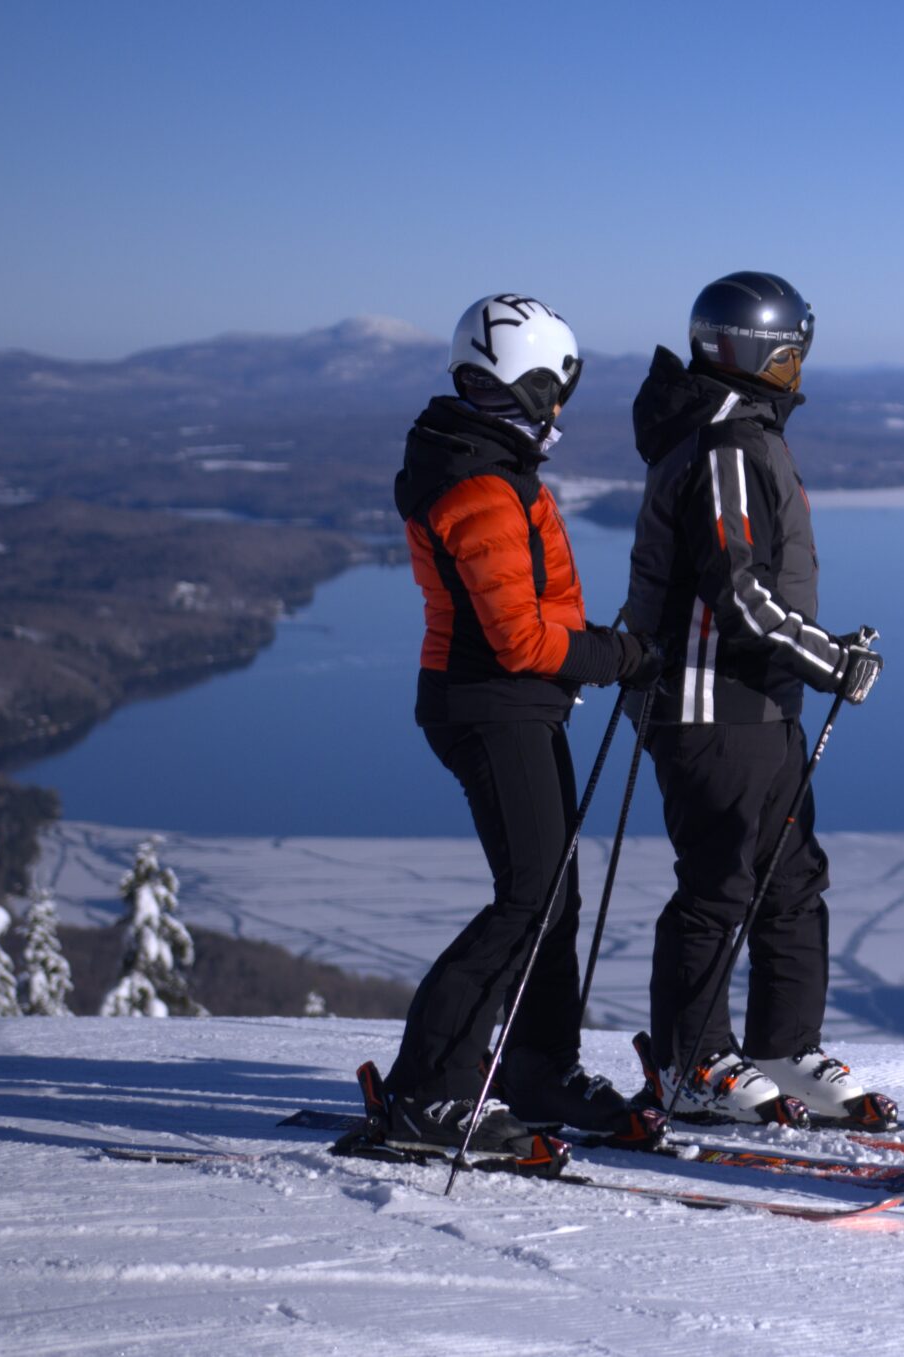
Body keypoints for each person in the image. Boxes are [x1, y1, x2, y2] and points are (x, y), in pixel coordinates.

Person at [377, 294, 656, 1161]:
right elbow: (521, 637)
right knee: (528, 899)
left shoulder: (487, 461)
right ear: (529, 384)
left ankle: (536, 1066)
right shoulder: (482, 483)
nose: (562, 408)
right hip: (491, 705)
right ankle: (428, 1088)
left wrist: (601, 653)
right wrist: (617, 653)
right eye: (557, 387)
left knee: (551, 898)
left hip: (512, 704)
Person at [620, 271, 888, 1129]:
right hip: (708, 704)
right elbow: (738, 593)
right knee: (719, 884)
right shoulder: (724, 443)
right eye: (790, 353)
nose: (800, 367)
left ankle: (781, 1046)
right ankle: (692, 1062)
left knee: (789, 878)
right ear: (755, 354)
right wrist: (830, 659)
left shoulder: (742, 433)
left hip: (757, 705)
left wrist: (813, 665)